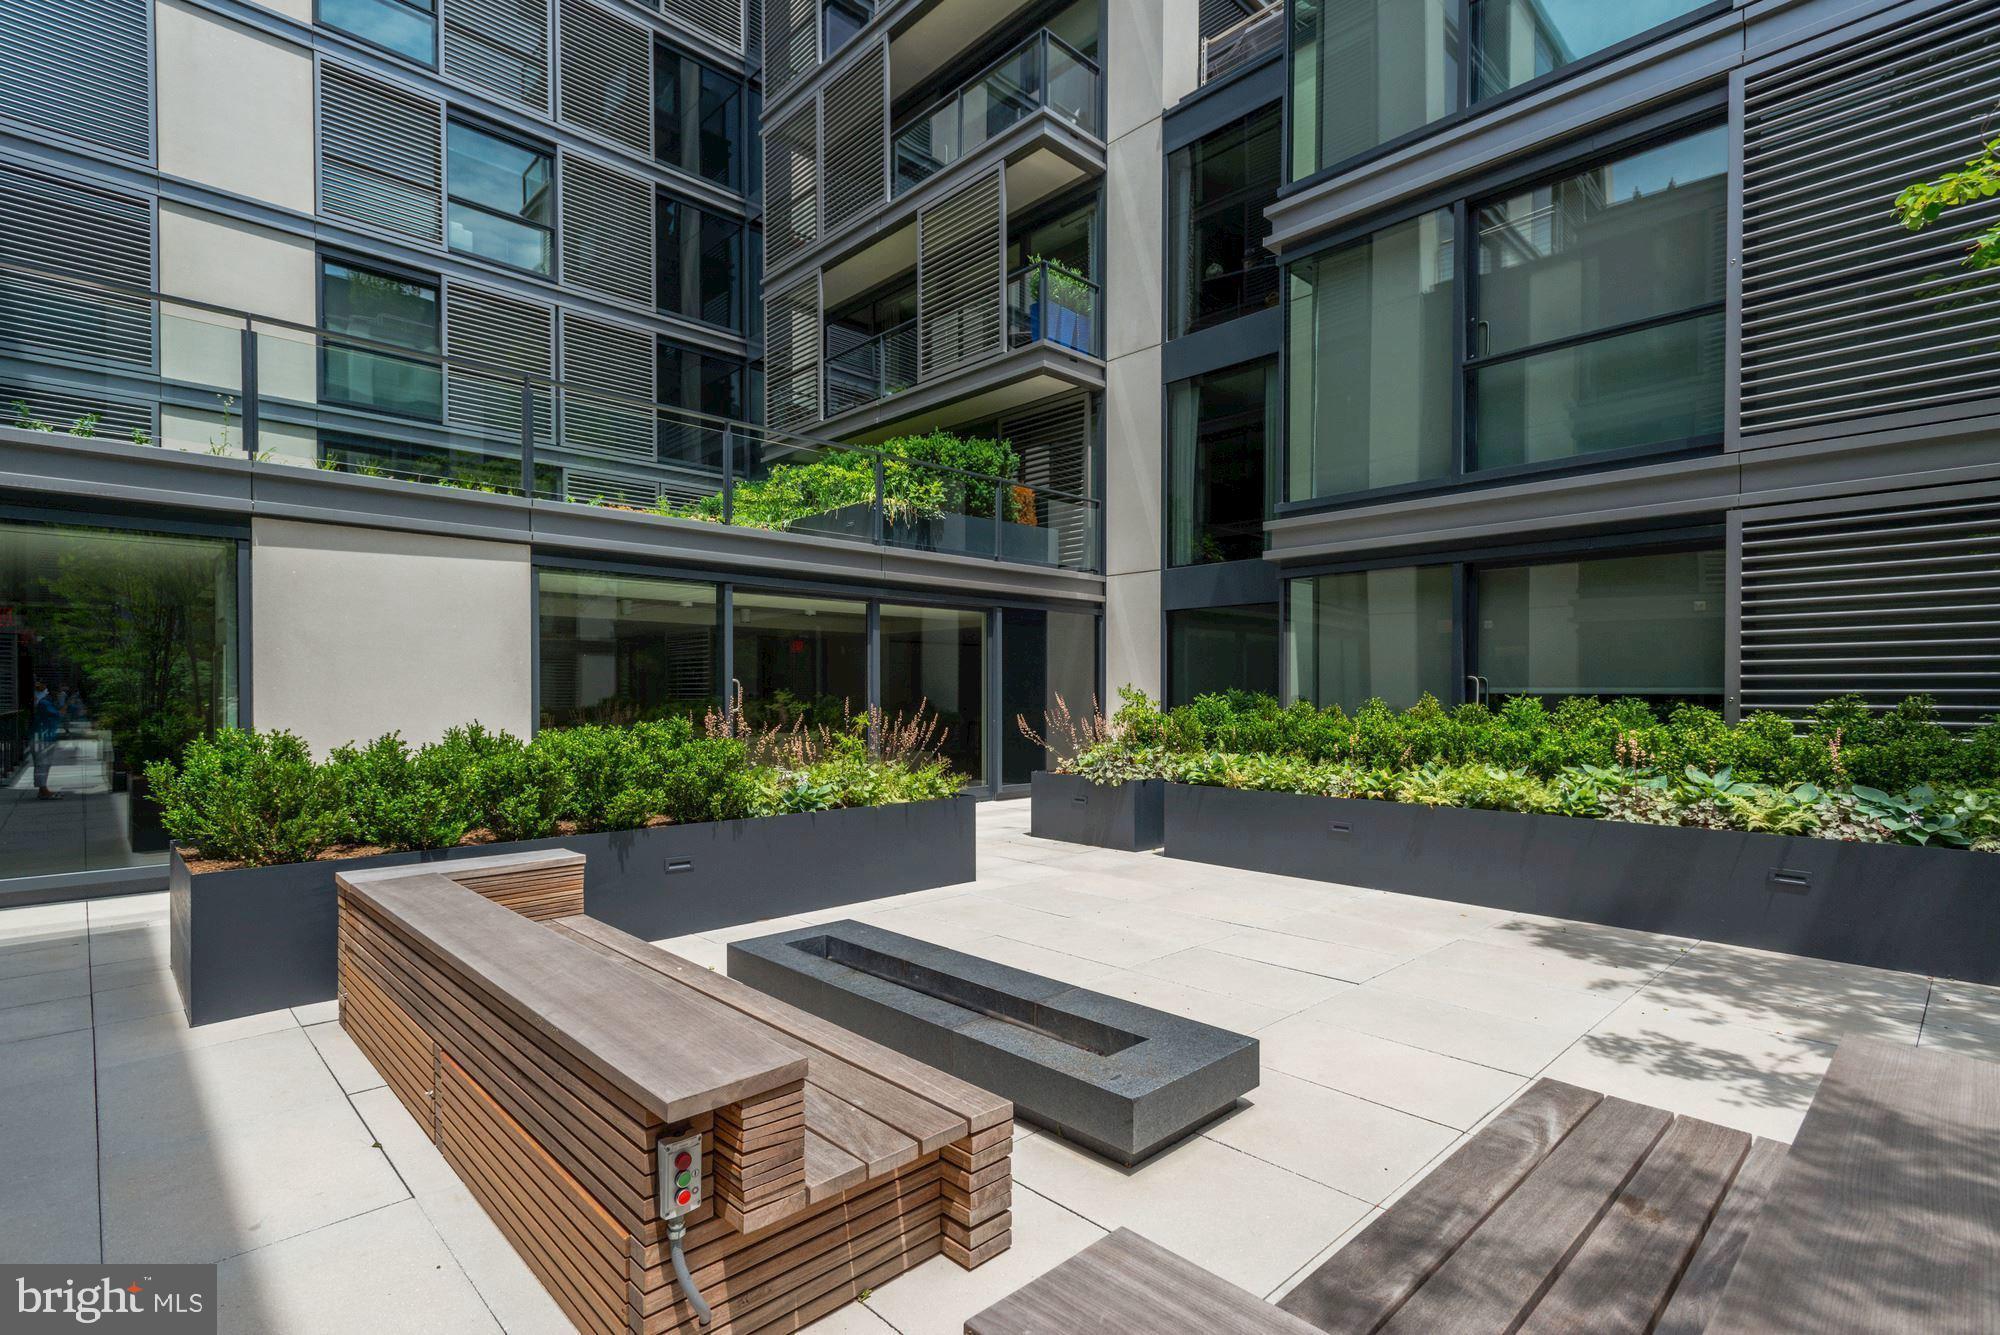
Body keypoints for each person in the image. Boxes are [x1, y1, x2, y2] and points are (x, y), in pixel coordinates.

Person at [31, 679, 61, 800]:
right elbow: (58, 714)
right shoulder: (43, 703)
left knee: (44, 763)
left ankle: (42, 789)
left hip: (44, 735)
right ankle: (43, 790)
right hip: (42, 736)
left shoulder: (43, 702)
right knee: (42, 763)